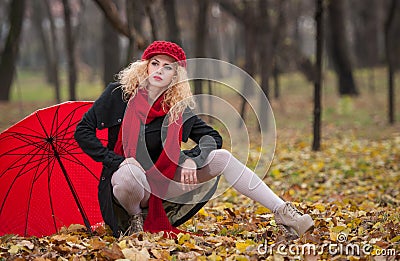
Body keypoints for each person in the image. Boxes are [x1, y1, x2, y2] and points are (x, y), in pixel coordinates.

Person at [75, 40, 314, 238]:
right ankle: (134, 220)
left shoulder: (176, 106)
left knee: (221, 158)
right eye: (155, 63)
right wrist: (116, 161)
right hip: (127, 185)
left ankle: (282, 211)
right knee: (130, 172)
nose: (159, 70)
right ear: (145, 67)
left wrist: (194, 160)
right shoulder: (119, 95)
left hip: (164, 183)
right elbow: (83, 131)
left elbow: (212, 137)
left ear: (175, 75)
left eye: (168, 67)